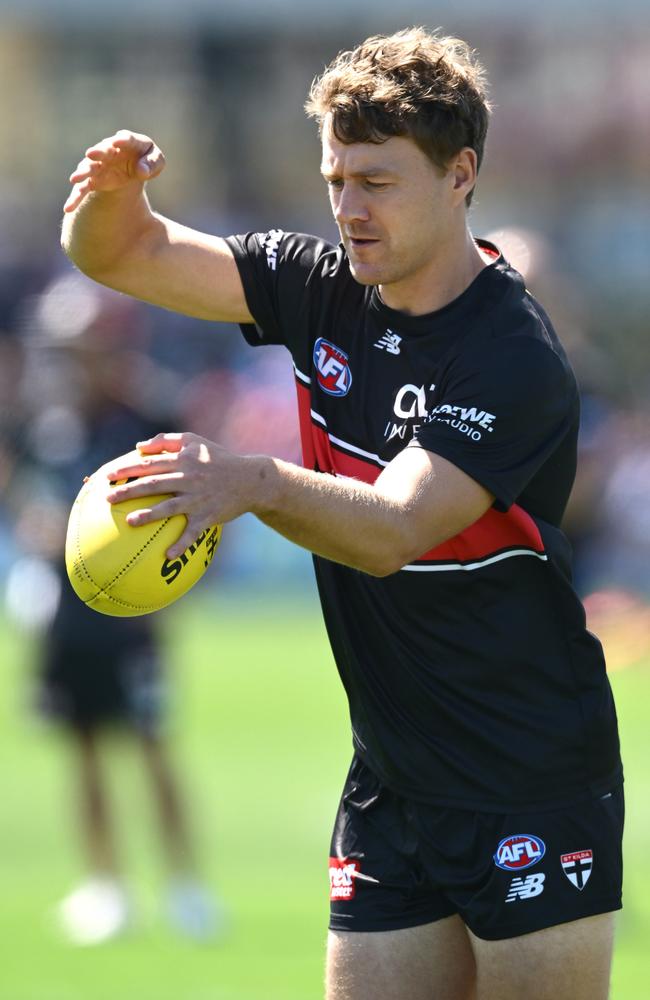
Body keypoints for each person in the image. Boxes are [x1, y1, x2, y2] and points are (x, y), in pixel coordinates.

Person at [60, 27, 623, 998]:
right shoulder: (320, 286)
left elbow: (395, 528)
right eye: (334, 179)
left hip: (526, 772)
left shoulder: (510, 354)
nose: (347, 210)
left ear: (459, 175)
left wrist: (253, 480)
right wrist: (105, 201)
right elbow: (128, 254)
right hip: (390, 777)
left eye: (376, 181)